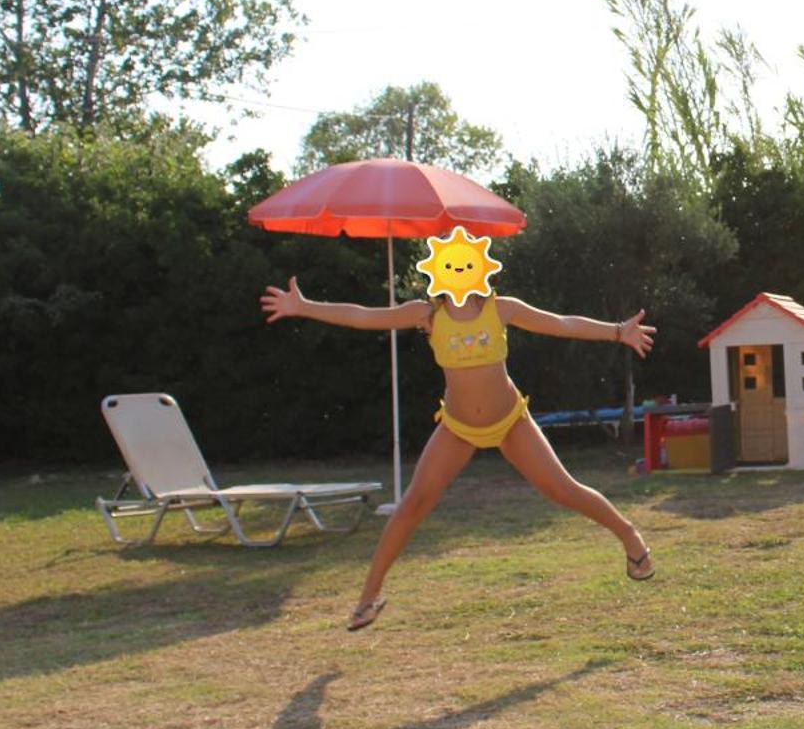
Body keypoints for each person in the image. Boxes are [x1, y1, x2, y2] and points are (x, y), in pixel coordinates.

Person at [260, 256, 658, 632]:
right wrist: (306, 306)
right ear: (438, 271)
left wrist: (617, 331)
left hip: (509, 422)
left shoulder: (501, 308)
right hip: (457, 427)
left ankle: (630, 538)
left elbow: (562, 323)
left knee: (562, 489)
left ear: (481, 268)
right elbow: (365, 316)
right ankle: (369, 596)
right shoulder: (427, 314)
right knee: (413, 504)